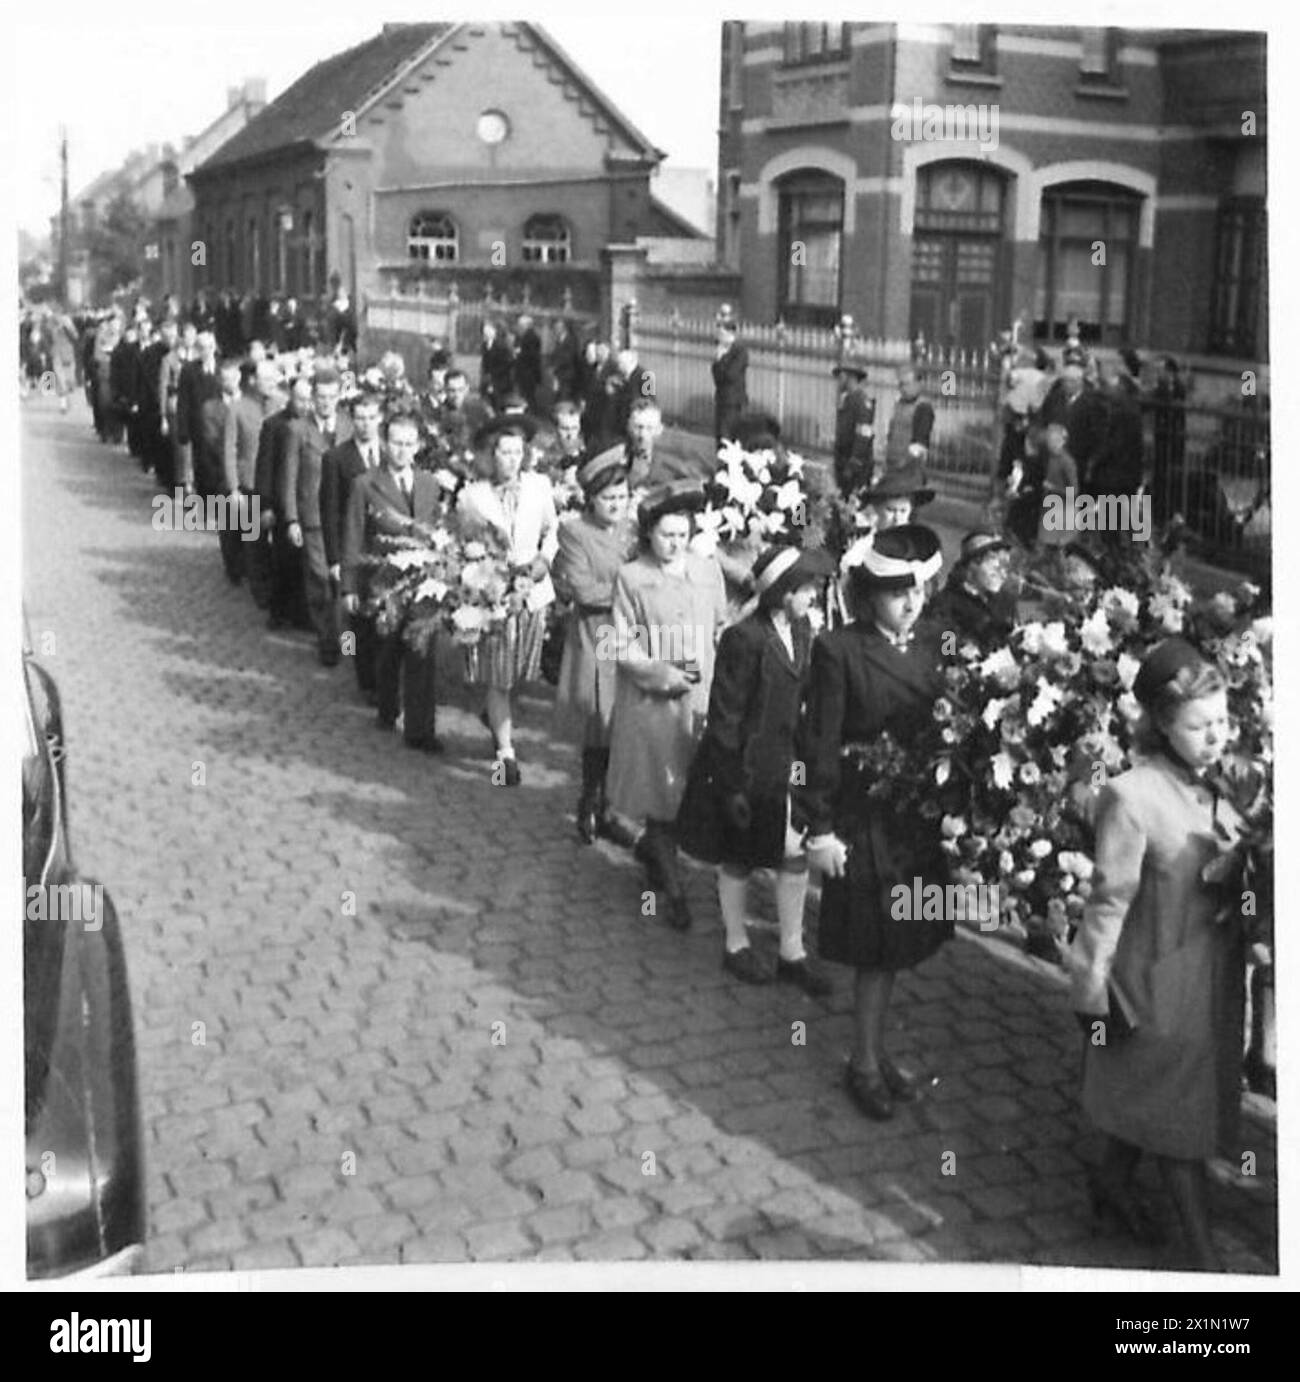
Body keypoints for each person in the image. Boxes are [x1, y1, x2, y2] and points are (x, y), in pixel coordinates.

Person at [1067, 638, 1247, 1271]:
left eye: (1223, 722)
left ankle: (1111, 1184)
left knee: (1155, 1101)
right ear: (1162, 724)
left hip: (1212, 982)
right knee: (1179, 1126)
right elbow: (1108, 901)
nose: (1216, 737)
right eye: (1199, 727)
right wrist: (1091, 990)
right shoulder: (1131, 797)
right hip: (1156, 987)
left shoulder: (1229, 784)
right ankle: (1206, 1265)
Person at [795, 524, 950, 1120]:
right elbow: (819, 746)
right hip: (864, 822)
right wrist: (820, 828)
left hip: (915, 821)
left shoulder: (935, 642)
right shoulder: (839, 650)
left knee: (901, 943)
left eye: (918, 591)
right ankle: (862, 1062)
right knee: (876, 948)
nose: (911, 603)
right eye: (896, 594)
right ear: (869, 596)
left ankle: (877, 1050)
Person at [677, 543, 836, 993]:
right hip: (747, 770)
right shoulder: (744, 639)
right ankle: (735, 942)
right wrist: (731, 785)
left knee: (794, 854)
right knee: (740, 857)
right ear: (782, 593)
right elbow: (725, 715)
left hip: (789, 768)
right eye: (806, 590)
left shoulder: (803, 632)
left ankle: (792, 951)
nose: (813, 598)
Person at [606, 480, 728, 931]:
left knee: (690, 790)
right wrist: (661, 674)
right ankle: (671, 888)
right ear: (648, 536)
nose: (674, 543)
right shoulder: (632, 577)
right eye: (665, 535)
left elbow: (721, 626)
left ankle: (662, 859)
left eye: (682, 534)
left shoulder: (707, 570)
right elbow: (617, 644)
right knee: (659, 794)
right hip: (653, 707)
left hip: (701, 703)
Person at [456, 414, 559, 784]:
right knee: (498, 676)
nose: (512, 459)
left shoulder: (540, 486)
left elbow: (552, 531)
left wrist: (543, 561)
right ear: (490, 454)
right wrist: (485, 574)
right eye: (505, 452)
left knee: (518, 674)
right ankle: (505, 756)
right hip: (494, 596)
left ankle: (494, 715)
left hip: (532, 594)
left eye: (518, 452)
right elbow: (464, 545)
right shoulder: (472, 496)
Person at [342, 411, 445, 753]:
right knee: (387, 650)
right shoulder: (365, 484)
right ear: (385, 444)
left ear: (418, 446)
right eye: (396, 443)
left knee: (422, 650)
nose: (402, 450)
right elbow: (354, 536)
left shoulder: (430, 483)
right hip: (384, 581)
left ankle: (420, 729)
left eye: (409, 444)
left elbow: (438, 529)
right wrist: (349, 586)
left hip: (423, 583)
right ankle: (387, 706)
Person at [551, 453, 637, 841]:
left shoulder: (633, 531)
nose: (616, 505)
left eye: (622, 496)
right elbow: (583, 589)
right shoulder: (574, 533)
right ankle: (590, 800)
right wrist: (633, 591)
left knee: (626, 725)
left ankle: (613, 807)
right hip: (596, 637)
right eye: (608, 498)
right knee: (599, 725)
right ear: (591, 499)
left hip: (633, 638)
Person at [281, 365, 353, 665]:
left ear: (339, 396)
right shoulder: (298, 430)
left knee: (348, 586)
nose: (325, 402)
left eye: (331, 397)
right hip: (313, 518)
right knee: (323, 583)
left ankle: (349, 645)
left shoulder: (350, 425)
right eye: (320, 397)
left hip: (346, 518)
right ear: (312, 398)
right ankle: (327, 642)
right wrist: (292, 518)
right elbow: (289, 476)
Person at [321, 390, 387, 699]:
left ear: (380, 419)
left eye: (371, 417)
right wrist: (334, 558)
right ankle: (360, 670)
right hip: (353, 549)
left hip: (384, 551)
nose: (365, 424)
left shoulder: (390, 454)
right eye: (359, 418)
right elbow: (330, 510)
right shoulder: (336, 458)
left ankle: (371, 666)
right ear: (352, 420)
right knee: (353, 616)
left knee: (379, 617)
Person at [220, 360, 275, 588]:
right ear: (254, 381)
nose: (272, 384)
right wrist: (233, 487)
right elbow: (230, 449)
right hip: (249, 482)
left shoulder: (279, 405)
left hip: (273, 482)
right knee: (253, 538)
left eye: (274, 379)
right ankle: (257, 584)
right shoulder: (239, 408)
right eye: (267, 380)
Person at [926, 530, 1015, 648]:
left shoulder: (1004, 600)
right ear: (972, 565)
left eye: (1005, 570)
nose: (1003, 576)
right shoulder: (945, 606)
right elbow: (946, 652)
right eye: (994, 571)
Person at [832, 358, 876, 497]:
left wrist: (853, 463)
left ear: (850, 377)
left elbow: (863, 436)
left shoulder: (862, 403)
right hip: (844, 461)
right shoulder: (847, 399)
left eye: (841, 375)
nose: (838, 379)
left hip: (855, 467)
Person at [883, 366, 935, 480]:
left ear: (919, 384)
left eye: (907, 384)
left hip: (909, 471)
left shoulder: (923, 407)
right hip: (892, 467)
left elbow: (920, 443)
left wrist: (906, 465)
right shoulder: (899, 404)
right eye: (900, 384)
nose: (903, 389)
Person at [711, 318, 749, 446]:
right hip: (721, 398)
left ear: (730, 333)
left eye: (721, 334)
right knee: (720, 436)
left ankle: (729, 464)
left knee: (729, 437)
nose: (719, 338)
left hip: (733, 401)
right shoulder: (721, 351)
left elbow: (731, 374)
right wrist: (718, 359)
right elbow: (716, 376)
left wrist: (722, 359)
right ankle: (720, 463)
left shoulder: (740, 351)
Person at [479, 320, 516, 412]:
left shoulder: (502, 345)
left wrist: (493, 375)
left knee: (499, 405)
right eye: (484, 332)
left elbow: (508, 363)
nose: (485, 334)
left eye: (488, 331)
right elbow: (485, 363)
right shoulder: (484, 345)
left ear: (494, 331)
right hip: (488, 381)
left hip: (501, 381)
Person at [513, 314, 543, 411]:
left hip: (528, 373)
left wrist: (519, 353)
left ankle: (531, 414)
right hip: (523, 372)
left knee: (529, 397)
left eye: (520, 325)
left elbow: (533, 356)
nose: (518, 327)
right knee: (524, 396)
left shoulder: (532, 337)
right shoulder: (522, 336)